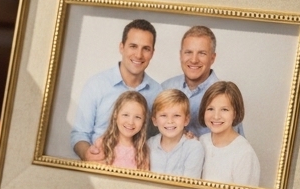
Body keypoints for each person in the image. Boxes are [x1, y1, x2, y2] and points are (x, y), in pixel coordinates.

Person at [70, 19, 162, 161]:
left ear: (152, 53)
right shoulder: (96, 85)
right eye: (133, 46)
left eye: (146, 48)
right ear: (121, 47)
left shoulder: (157, 92)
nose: (139, 55)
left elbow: (161, 136)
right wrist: (87, 154)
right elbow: (80, 134)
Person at [162, 25, 242, 139]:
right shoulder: (165, 88)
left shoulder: (226, 97)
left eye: (202, 53)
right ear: (180, 55)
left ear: (212, 58)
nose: (194, 60)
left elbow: (234, 147)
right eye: (188, 52)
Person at [198, 81, 260, 186]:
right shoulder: (202, 141)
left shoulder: (244, 153)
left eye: (224, 109)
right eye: (210, 109)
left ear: (235, 113)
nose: (216, 116)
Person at [86, 90, 151, 171]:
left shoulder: (143, 152)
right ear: (115, 115)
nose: (130, 122)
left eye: (137, 117)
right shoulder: (102, 144)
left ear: (144, 121)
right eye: (125, 115)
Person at [147, 88, 205, 178]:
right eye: (163, 115)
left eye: (176, 115)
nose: (170, 121)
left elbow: (190, 187)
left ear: (186, 120)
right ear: (154, 120)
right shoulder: (149, 145)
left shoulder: (193, 148)